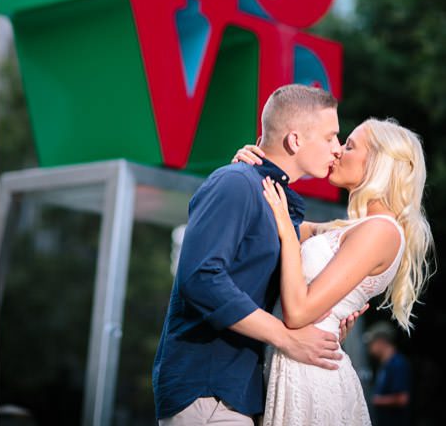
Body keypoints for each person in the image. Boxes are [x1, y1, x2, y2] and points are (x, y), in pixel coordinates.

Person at [152, 84, 348, 425]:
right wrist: (287, 338)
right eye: (330, 136)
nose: (338, 148)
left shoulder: (272, 197)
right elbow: (199, 278)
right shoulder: (235, 183)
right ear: (295, 140)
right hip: (209, 393)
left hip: (242, 394)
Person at [237, 117, 433, 425]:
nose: (338, 151)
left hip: (310, 375)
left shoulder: (381, 231)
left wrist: (288, 235)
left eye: (350, 145)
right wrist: (247, 172)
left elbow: (298, 312)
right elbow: (266, 225)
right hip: (293, 365)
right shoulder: (351, 228)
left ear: (379, 163)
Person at [365, 322, 411, 426]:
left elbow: (402, 399)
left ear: (381, 342)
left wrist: (375, 400)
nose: (370, 348)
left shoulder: (397, 363)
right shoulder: (384, 364)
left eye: (371, 343)